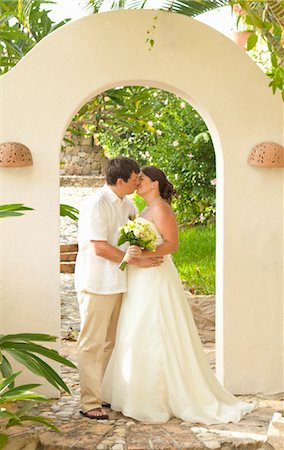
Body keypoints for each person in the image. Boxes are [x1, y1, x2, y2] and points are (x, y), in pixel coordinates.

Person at [101, 166, 255, 424]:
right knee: (135, 328)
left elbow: (172, 244)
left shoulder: (161, 209)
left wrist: (145, 253)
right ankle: (134, 394)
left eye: (143, 180)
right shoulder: (144, 209)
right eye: (137, 179)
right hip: (141, 277)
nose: (137, 183)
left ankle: (159, 398)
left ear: (155, 184)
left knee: (155, 328)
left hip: (156, 276)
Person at [74, 157, 163, 420]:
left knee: (111, 342)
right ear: (121, 180)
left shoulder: (128, 204)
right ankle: (89, 401)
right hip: (97, 282)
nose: (138, 182)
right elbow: (99, 247)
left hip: (120, 282)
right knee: (92, 343)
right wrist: (133, 259)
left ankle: (103, 394)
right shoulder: (96, 204)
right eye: (135, 178)